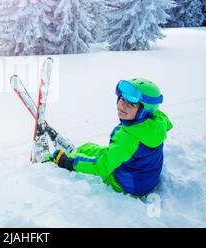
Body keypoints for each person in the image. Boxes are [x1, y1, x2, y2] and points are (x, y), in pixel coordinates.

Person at [35, 78, 173, 197]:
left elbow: (102, 167)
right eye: (122, 99)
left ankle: (54, 160)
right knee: (89, 147)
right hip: (143, 178)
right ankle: (77, 152)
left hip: (127, 186)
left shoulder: (128, 138)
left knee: (94, 160)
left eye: (130, 104)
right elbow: (124, 151)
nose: (122, 105)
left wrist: (67, 162)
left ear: (144, 111)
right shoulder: (156, 120)